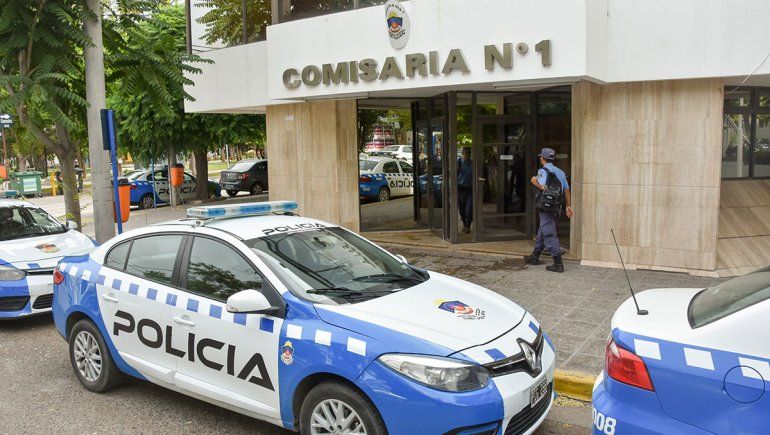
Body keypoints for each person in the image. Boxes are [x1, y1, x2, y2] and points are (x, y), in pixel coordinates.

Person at [524, 148, 573, 273]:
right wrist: (568, 206)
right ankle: (535, 256)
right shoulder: (561, 172)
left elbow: (538, 182)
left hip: (546, 206)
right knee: (543, 228)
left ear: (542, 159)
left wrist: (535, 181)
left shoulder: (542, 170)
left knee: (548, 232)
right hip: (556, 206)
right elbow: (566, 190)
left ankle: (558, 263)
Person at [457, 147, 473, 234]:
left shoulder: (472, 164)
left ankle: (468, 226)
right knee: (461, 209)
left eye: (468, 153)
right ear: (463, 154)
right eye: (465, 153)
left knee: (468, 208)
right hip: (460, 188)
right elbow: (454, 173)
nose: (467, 154)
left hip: (469, 189)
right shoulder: (459, 162)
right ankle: (464, 224)